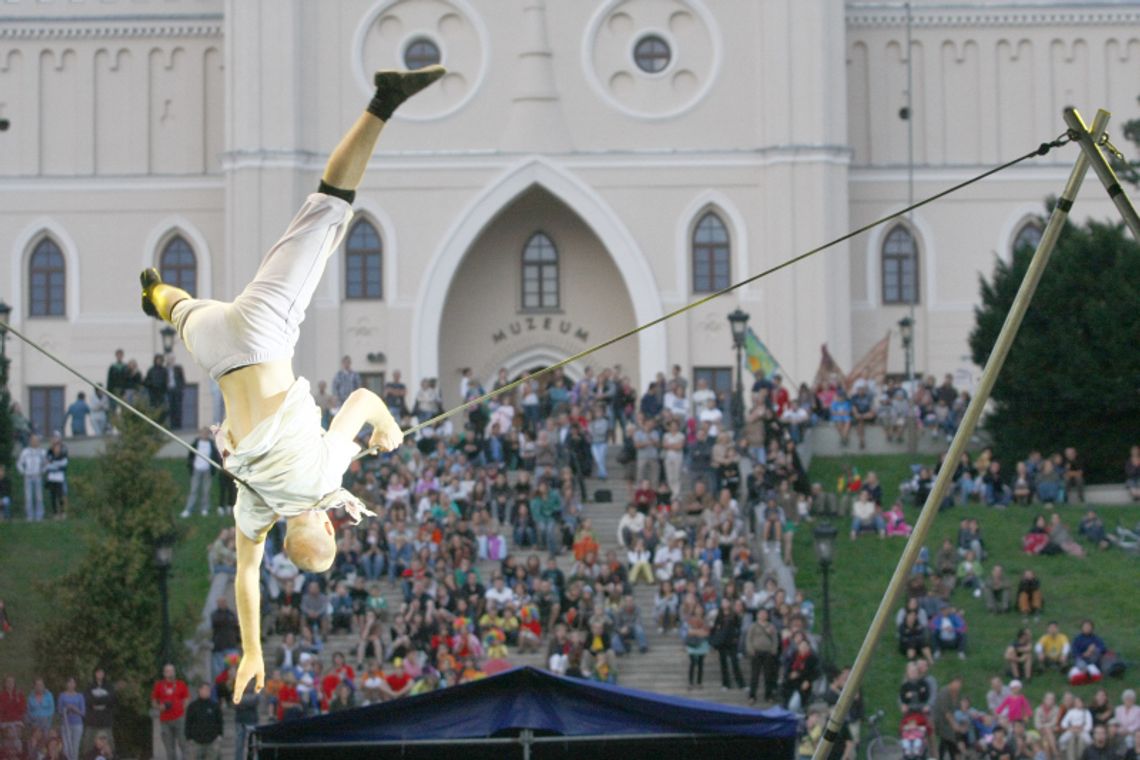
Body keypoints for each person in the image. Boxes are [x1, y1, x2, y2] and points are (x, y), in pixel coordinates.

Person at [139, 64, 444, 701]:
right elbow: (245, 580)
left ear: (329, 525)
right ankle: (159, 297)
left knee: (330, 209)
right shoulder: (254, 512)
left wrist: (386, 427)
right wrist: (252, 651)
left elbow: (361, 400)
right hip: (218, 352)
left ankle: (383, 104)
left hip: (263, 333)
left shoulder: (326, 478)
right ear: (284, 534)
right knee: (184, 311)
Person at [152, 664, 189, 760]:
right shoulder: (159, 685)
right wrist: (159, 707)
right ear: (164, 673)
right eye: (168, 671)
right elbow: (154, 701)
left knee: (183, 743)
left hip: (179, 718)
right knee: (169, 747)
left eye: (172, 671)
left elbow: (186, 698)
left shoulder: (181, 684)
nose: (171, 673)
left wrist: (183, 708)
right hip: (165, 719)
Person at [183, 428, 222, 518]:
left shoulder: (211, 444)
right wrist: (190, 466)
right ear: (200, 434)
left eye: (206, 433)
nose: (204, 434)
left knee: (206, 491)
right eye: (203, 433)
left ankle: (204, 509)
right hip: (197, 469)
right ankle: (188, 509)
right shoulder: (196, 443)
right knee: (194, 490)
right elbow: (190, 456)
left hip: (207, 470)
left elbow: (215, 456)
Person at [746, 606, 779, 705]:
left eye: (765, 613)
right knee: (754, 675)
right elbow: (749, 639)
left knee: (768, 675)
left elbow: (775, 638)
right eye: (761, 613)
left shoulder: (771, 626)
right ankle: (752, 695)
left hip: (768, 653)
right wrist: (750, 649)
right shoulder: (753, 626)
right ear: (757, 615)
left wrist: (774, 649)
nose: (763, 615)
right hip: (756, 652)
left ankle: (768, 695)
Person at [183, 683, 223, 760]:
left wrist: (220, 735)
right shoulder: (193, 706)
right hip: (196, 742)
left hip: (212, 741)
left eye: (208, 690)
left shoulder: (214, 706)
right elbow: (188, 723)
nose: (207, 691)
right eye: (205, 689)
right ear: (199, 690)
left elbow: (220, 721)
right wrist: (189, 738)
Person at [84, 668, 115, 755]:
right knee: (88, 744)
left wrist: (96, 700)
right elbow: (88, 700)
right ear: (95, 674)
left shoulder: (109, 687)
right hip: (92, 720)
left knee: (109, 744)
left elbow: (111, 699)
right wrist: (102, 701)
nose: (100, 674)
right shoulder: (89, 686)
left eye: (101, 672)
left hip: (105, 721)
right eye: (98, 672)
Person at [17, 434, 47, 522]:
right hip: (28, 477)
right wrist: (23, 472)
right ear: (30, 441)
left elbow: (46, 464)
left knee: (39, 497)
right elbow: (19, 463)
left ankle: (39, 516)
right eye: (32, 440)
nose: (34, 442)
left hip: (37, 476)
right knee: (28, 497)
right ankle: (29, 516)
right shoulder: (25, 452)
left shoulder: (42, 452)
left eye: (36, 440)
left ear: (38, 442)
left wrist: (42, 471)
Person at [57, 677, 85, 760]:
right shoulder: (62, 696)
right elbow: (59, 710)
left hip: (77, 724)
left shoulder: (80, 696)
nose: (71, 685)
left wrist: (75, 709)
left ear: (75, 684)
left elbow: (83, 712)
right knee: (66, 747)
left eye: (73, 683)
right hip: (65, 724)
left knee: (75, 747)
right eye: (69, 682)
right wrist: (66, 709)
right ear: (66, 684)